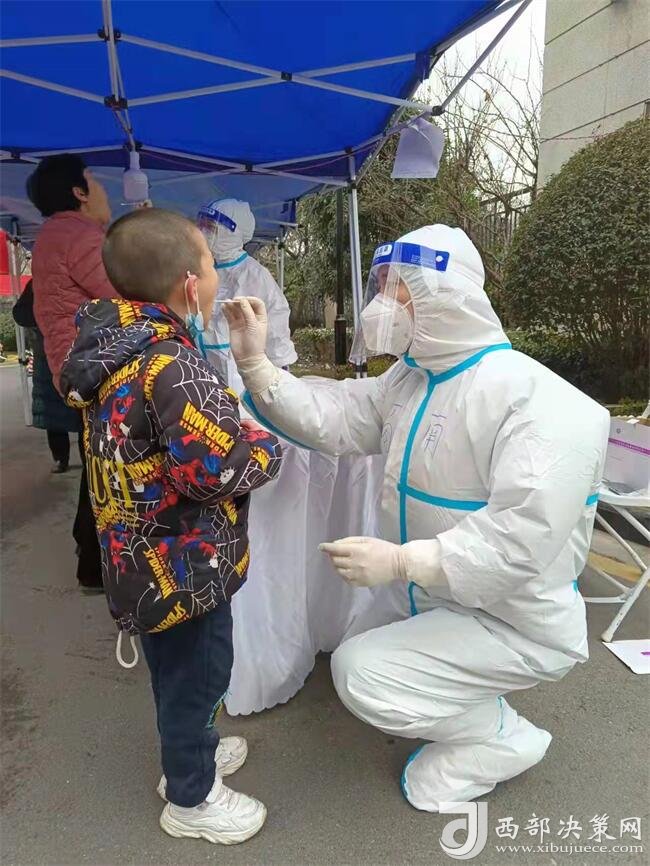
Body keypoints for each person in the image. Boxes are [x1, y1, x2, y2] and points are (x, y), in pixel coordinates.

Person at [222, 224, 610, 812]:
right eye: (380, 285)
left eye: (397, 287)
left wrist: (404, 561)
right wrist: (256, 366)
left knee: (360, 672)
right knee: (362, 641)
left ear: (443, 293)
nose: (382, 304)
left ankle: (499, 739)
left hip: (515, 621)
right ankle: (470, 703)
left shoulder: (540, 402)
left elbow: (519, 539)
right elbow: (337, 415)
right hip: (438, 597)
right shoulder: (412, 380)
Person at [59, 208, 282, 844]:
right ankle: (192, 796)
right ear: (190, 284)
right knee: (199, 675)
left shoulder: (112, 356)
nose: (215, 278)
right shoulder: (172, 365)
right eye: (209, 266)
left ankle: (193, 752)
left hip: (139, 561)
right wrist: (264, 444)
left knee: (176, 672)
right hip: (186, 565)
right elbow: (216, 469)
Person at [27, 154, 118, 588]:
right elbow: (122, 289)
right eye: (93, 181)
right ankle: (96, 561)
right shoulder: (78, 235)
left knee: (98, 458)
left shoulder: (53, 235)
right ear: (79, 192)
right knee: (109, 463)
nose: (102, 190)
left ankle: (91, 555)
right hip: (93, 366)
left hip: (74, 365)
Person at [197, 198, 296, 388]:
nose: (203, 233)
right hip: (206, 369)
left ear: (232, 233)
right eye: (202, 225)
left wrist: (280, 377)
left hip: (240, 375)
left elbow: (276, 328)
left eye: (211, 228)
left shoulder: (254, 276)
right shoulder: (205, 270)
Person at [13, 279, 82, 472]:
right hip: (48, 353)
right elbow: (20, 314)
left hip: (77, 351)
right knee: (53, 413)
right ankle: (60, 457)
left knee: (84, 410)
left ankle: (87, 459)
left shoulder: (77, 277)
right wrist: (43, 317)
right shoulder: (36, 284)